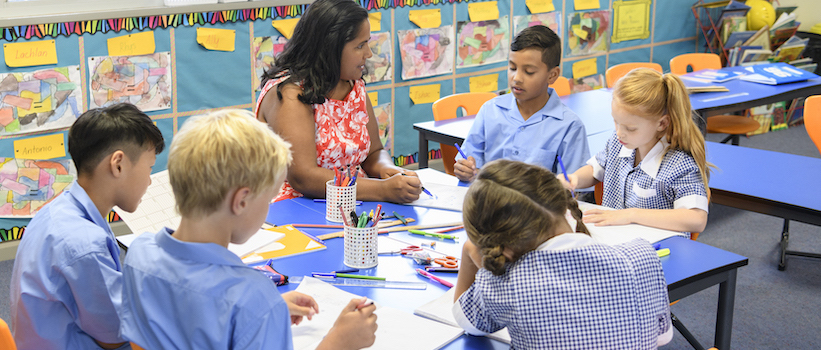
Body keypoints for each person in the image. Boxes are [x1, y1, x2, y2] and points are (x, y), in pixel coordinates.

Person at [119, 110, 378, 350]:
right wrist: (337, 343)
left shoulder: (139, 254)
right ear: (241, 201)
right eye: (267, 200)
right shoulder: (251, 299)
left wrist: (265, 319)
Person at [453, 159, 672, 349]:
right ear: (563, 205)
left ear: (503, 247)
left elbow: (467, 322)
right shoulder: (642, 257)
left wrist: (468, 251)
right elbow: (661, 338)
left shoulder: (506, 283)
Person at [10, 103, 165, 350]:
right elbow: (117, 337)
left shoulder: (58, 210)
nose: (149, 180)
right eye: (149, 168)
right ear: (118, 164)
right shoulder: (83, 244)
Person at [256, 0, 421, 203]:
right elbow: (303, 178)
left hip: (353, 199)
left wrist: (388, 169)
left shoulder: (353, 84)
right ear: (329, 48)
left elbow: (374, 152)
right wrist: (382, 190)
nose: (368, 54)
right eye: (359, 46)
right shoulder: (290, 93)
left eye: (367, 42)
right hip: (298, 205)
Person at [559, 68, 711, 235]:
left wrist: (631, 215)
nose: (619, 132)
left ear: (661, 124)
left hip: (656, 251)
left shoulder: (679, 164)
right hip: (615, 240)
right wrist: (575, 179)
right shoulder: (620, 143)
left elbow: (696, 219)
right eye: (616, 122)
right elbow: (595, 170)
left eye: (630, 128)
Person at [454, 25, 590, 182]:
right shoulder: (491, 110)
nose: (516, 78)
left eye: (529, 72)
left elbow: (573, 189)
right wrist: (465, 170)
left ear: (552, 75)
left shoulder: (569, 126)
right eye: (512, 68)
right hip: (489, 202)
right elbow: (469, 163)